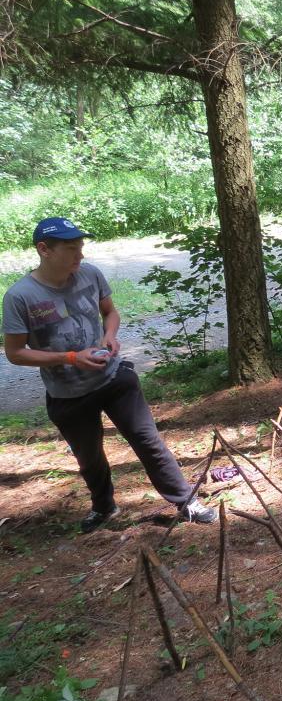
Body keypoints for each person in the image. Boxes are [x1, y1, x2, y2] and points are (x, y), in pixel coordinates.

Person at [2, 217, 216, 532]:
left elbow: (110, 312)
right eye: (72, 248)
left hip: (114, 379)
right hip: (68, 395)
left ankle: (187, 502)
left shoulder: (90, 275)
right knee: (89, 457)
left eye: (81, 247)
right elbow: (15, 353)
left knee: (147, 440)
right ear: (44, 249)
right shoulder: (20, 296)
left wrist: (110, 335)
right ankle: (103, 508)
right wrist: (71, 357)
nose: (80, 256)